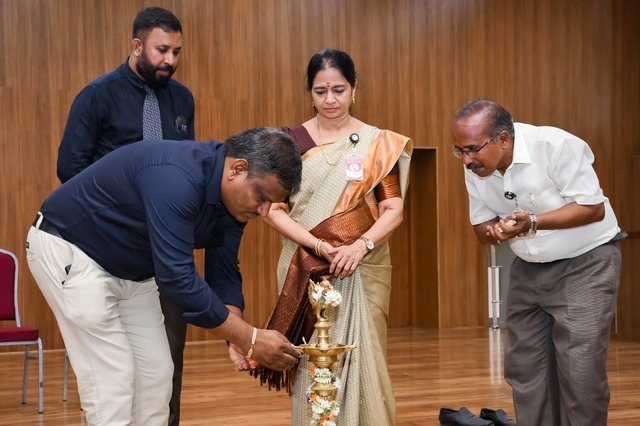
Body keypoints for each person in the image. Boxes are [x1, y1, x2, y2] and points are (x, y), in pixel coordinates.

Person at [26, 128, 304, 426]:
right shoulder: (177, 177)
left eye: (272, 203)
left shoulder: (234, 201)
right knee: (112, 382)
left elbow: (223, 268)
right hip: (73, 251)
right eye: (261, 197)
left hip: (134, 272)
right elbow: (178, 280)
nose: (263, 211)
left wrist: (236, 336)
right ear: (237, 169)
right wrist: (249, 338)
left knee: (156, 376)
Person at [258, 49, 413, 425]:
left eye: (338, 90)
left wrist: (361, 246)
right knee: (312, 358)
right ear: (309, 93)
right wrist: (319, 246)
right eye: (320, 91)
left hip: (364, 266)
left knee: (365, 354)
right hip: (306, 266)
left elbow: (393, 209)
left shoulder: (377, 144)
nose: (330, 99)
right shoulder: (290, 143)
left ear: (354, 88)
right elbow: (273, 209)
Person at [56, 7, 195, 424]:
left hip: (166, 250)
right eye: (161, 50)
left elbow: (185, 169)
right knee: (117, 370)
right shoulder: (97, 96)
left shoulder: (183, 99)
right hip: (108, 252)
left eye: (176, 52)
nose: (170, 60)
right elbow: (70, 170)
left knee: (166, 361)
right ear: (137, 46)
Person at [452, 98, 623, 425]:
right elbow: (480, 224)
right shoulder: (476, 169)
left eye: (472, 149)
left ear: (503, 139)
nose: (466, 159)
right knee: (526, 368)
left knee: (580, 371)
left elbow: (592, 208)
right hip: (528, 270)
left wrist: (532, 222)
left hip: (586, 264)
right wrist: (494, 232)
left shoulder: (556, 146)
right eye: (459, 151)